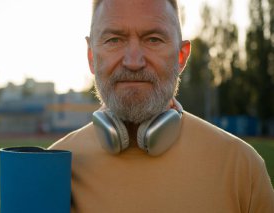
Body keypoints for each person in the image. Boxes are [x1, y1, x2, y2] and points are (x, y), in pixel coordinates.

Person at [49, 0, 274, 212]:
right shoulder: (51, 168)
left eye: (153, 39)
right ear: (91, 56)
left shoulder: (242, 166)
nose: (133, 61)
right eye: (114, 40)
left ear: (181, 56)